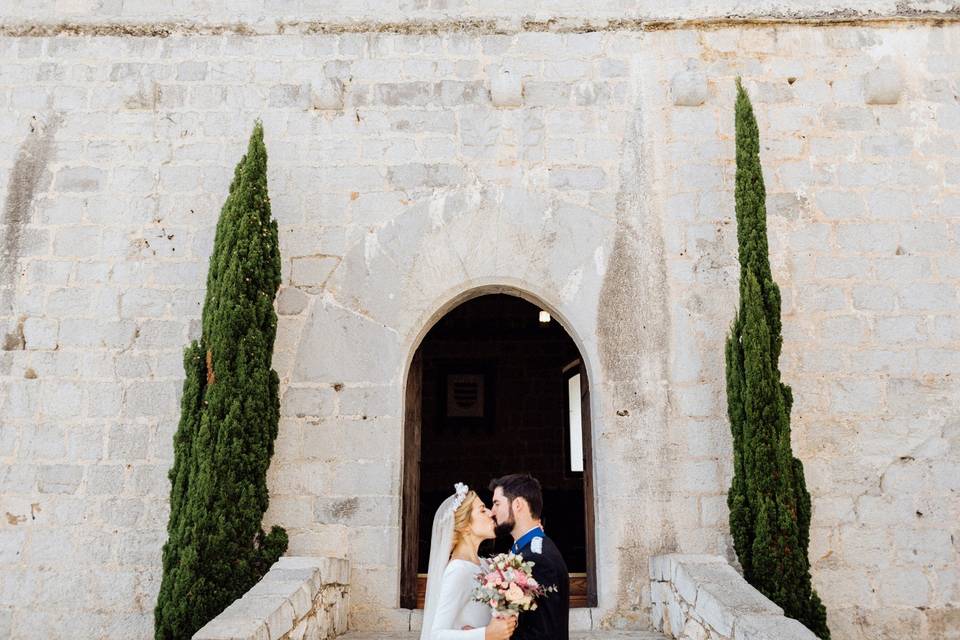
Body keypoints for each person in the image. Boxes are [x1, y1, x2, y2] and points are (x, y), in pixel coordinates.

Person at [421, 482, 518, 640]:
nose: (490, 513)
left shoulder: (485, 565)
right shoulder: (458, 570)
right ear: (465, 526)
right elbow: (436, 635)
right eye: (482, 510)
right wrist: (486, 634)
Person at [488, 473, 569, 640]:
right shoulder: (525, 550)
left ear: (517, 504)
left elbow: (543, 634)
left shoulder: (537, 558)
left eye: (497, 503)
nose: (492, 512)